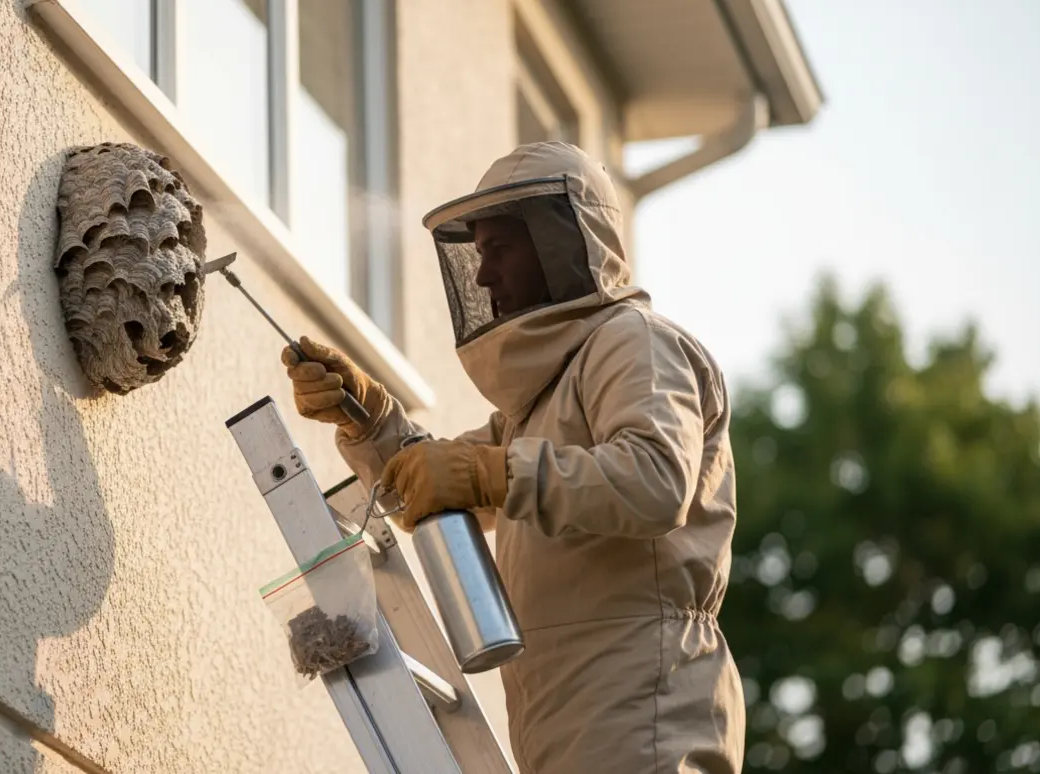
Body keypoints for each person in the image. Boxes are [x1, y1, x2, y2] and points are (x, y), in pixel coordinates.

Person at [281, 141, 743, 773]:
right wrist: (367, 416)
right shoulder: (541, 402)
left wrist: (486, 472)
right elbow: (432, 479)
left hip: (644, 695)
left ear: (560, 243)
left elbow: (655, 480)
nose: (482, 274)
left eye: (499, 248)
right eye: (477, 252)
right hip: (567, 704)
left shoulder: (634, 342)